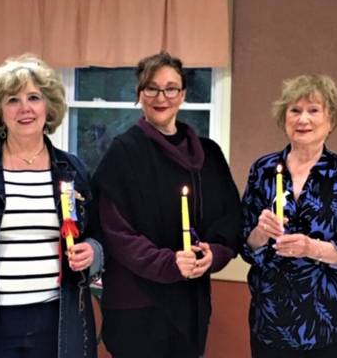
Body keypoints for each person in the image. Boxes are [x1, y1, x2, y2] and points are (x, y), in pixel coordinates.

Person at [93, 51, 241, 358]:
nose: (162, 97)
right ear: (139, 94)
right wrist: (169, 263)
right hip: (137, 304)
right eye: (152, 87)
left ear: (183, 94)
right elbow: (117, 233)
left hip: (190, 301)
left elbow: (229, 219)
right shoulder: (123, 153)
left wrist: (212, 254)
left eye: (171, 88)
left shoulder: (209, 155)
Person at [0, 54, 103, 358]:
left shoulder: (72, 169)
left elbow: (97, 234)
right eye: (13, 99)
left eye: (34, 97)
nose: (24, 108)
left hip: (58, 318)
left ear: (48, 107)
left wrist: (93, 250)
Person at [241, 74, 337, 358]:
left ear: (330, 121)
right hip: (273, 321)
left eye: (313, 110)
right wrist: (259, 233)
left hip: (335, 323)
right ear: (284, 118)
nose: (303, 119)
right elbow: (244, 242)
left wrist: (312, 248)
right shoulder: (263, 170)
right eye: (295, 110)